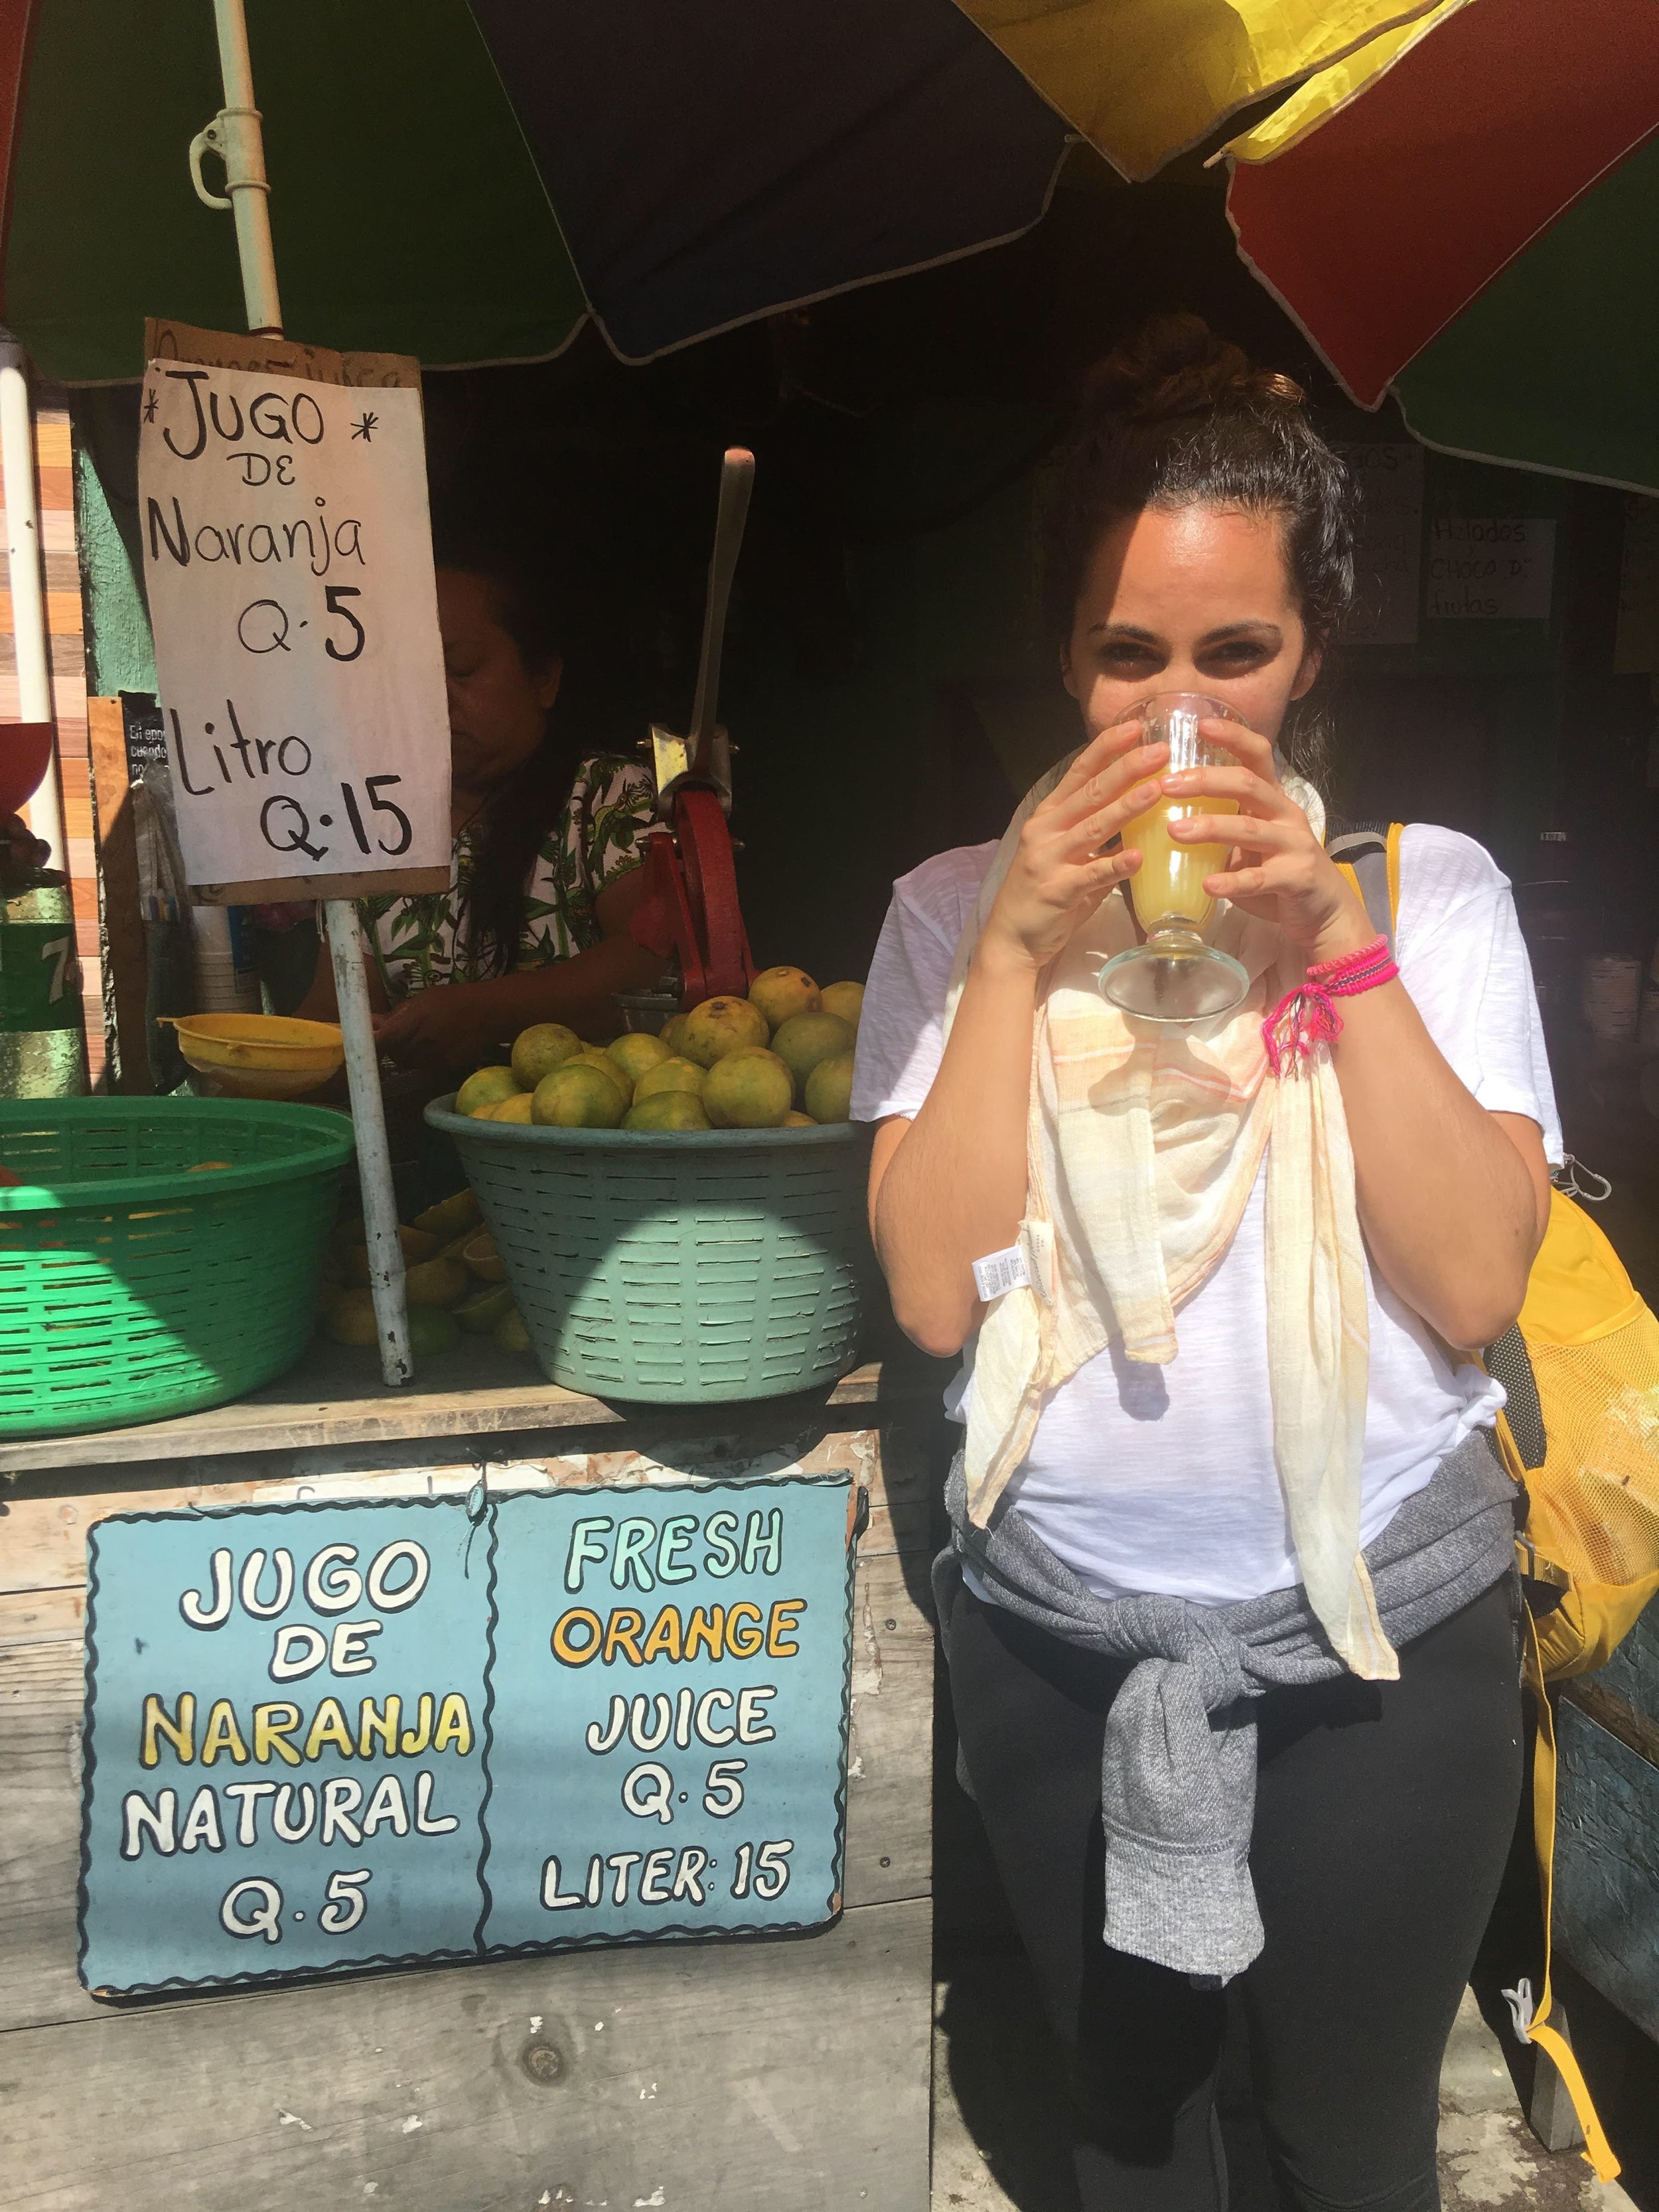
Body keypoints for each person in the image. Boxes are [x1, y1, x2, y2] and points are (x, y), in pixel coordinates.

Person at [853, 317, 1557, 2210]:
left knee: (1349, 2141)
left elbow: (1472, 1280)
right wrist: (1012, 948)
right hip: (1063, 1638)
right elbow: (934, 1292)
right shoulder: (945, 913)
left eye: (1233, 654)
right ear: (1062, 656)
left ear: (1310, 650)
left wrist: (1327, 934)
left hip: (1378, 1652)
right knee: (1132, 2138)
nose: (1181, 708)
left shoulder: (1427, 889)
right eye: (1127, 654)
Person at [300, 521, 663, 1069]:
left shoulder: (608, 796)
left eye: (462, 669)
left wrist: (482, 1012)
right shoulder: (376, 826)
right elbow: (336, 1008)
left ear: (544, 678)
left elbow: (648, 960)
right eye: (415, 673)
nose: (435, 696)